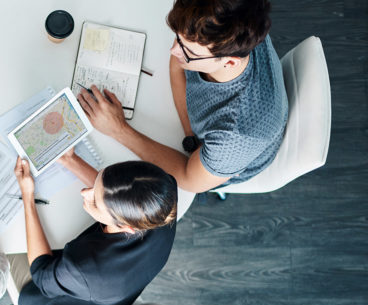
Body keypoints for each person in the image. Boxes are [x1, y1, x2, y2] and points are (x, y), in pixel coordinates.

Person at [77, 0, 287, 193]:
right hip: (201, 137)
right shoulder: (225, 24)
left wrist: (118, 129)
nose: (173, 49)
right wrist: (190, 134)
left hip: (216, 168)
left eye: (188, 51)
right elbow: (177, 62)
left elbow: (188, 179)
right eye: (178, 37)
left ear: (230, 62)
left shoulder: (237, 135)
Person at [8, 152, 177, 305]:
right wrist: (70, 160)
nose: (85, 192)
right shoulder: (163, 195)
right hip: (117, 291)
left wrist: (27, 196)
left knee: (7, 247)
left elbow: (41, 273)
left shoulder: (83, 266)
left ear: (127, 226)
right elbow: (116, 193)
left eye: (95, 201)